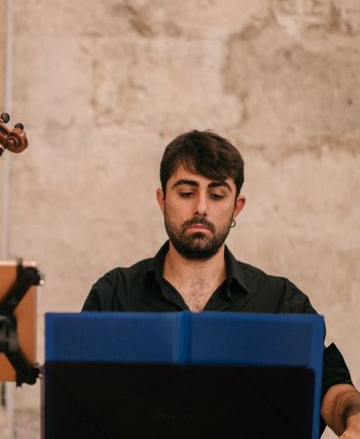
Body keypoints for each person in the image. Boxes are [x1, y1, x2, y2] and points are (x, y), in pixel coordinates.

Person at [82, 130, 360, 437]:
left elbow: (328, 385)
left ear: (236, 207)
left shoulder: (281, 301)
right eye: (186, 193)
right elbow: (80, 401)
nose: (201, 207)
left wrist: (355, 418)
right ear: (162, 200)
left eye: (216, 195)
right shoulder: (113, 295)